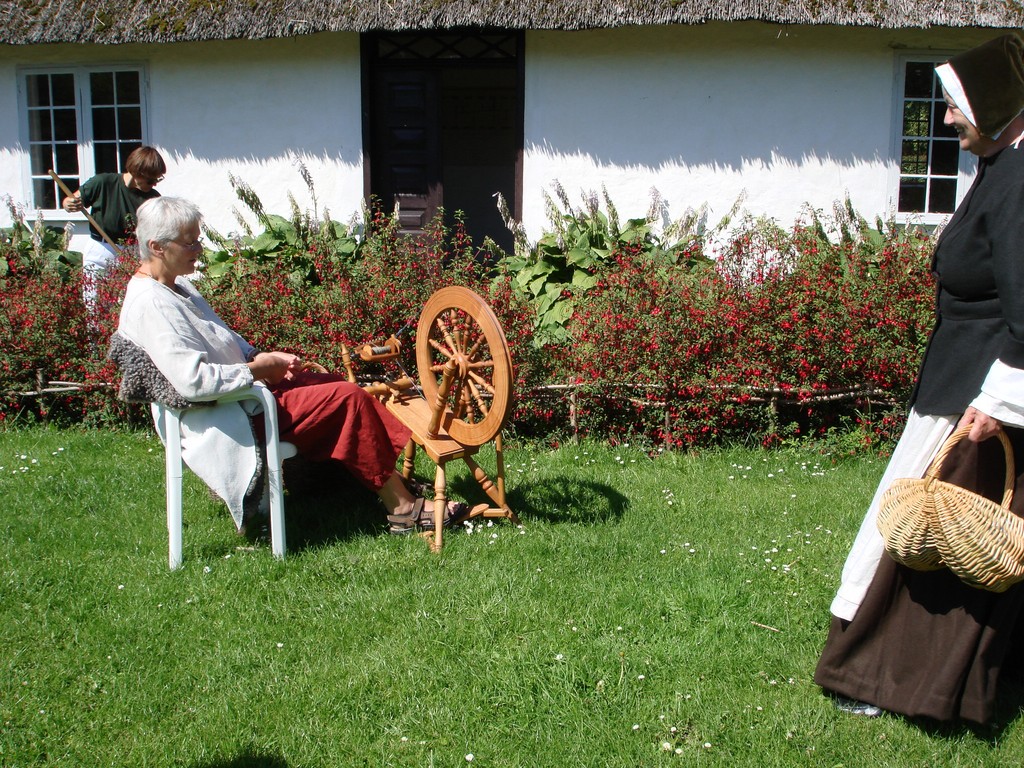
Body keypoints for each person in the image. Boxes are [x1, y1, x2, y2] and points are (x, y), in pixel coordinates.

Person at [814, 33, 1024, 727]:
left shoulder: (1020, 181)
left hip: (979, 397)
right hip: (960, 383)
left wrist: (997, 401)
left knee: (934, 540)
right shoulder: (1001, 169)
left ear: (995, 105)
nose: (947, 118)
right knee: (920, 531)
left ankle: (892, 679)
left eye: (957, 105)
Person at [111, 195, 460, 536]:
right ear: (157, 247)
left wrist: (262, 356)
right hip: (225, 415)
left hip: (242, 397)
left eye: (198, 239)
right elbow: (194, 383)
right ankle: (402, 508)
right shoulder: (151, 305)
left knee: (328, 381)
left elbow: (225, 338)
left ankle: (375, 479)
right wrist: (262, 368)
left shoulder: (177, 287)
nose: (199, 249)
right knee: (347, 399)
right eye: (190, 243)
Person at [63, 145, 166, 273]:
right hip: (100, 249)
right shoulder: (103, 182)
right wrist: (69, 204)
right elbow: (70, 200)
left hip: (133, 252)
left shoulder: (153, 198)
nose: (155, 184)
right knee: (94, 287)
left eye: (158, 179)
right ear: (137, 172)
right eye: (150, 180)